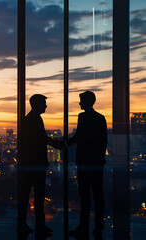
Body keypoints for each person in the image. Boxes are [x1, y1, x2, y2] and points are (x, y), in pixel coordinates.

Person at [17, 94, 62, 238]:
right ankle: (37, 226)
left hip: (30, 165)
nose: (46, 106)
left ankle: (30, 225)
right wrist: (60, 145)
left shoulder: (31, 119)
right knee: (37, 197)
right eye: (44, 103)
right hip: (34, 165)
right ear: (36, 104)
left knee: (30, 197)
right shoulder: (33, 120)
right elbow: (42, 139)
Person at [67, 91, 107, 239]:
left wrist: (65, 144)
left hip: (84, 162)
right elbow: (103, 141)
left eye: (81, 100)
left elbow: (79, 137)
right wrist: (99, 157)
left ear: (87, 101)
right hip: (97, 163)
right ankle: (98, 228)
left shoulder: (82, 117)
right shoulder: (101, 118)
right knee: (98, 196)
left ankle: (83, 228)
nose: (79, 103)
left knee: (84, 196)